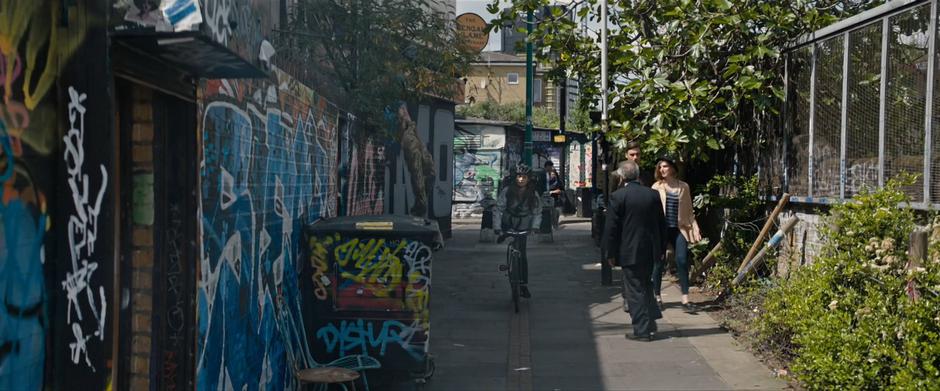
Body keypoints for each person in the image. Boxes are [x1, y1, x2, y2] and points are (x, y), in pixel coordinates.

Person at [603, 160, 667, 341]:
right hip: (650, 249)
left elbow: (611, 229)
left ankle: (642, 330)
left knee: (635, 290)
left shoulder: (618, 197)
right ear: (638, 175)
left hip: (629, 250)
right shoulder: (652, 195)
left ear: (622, 176)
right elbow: (661, 223)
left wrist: (610, 253)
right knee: (646, 284)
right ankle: (651, 321)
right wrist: (661, 248)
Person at [651, 156, 702, 312]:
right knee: (658, 263)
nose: (662, 169)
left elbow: (689, 210)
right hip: (661, 229)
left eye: (665, 166)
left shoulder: (683, 187)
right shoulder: (656, 187)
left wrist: (695, 228)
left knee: (681, 260)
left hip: (679, 228)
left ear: (673, 168)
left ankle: (685, 299)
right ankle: (657, 296)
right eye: (660, 167)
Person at [494, 163, 542, 298]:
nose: (521, 179)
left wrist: (535, 227)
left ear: (529, 179)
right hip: (508, 223)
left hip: (524, 226)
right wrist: (497, 227)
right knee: (510, 241)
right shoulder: (507, 191)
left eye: (524, 177)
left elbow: (537, 212)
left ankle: (523, 285)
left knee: (523, 255)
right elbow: (498, 209)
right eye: (519, 176)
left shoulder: (533, 194)